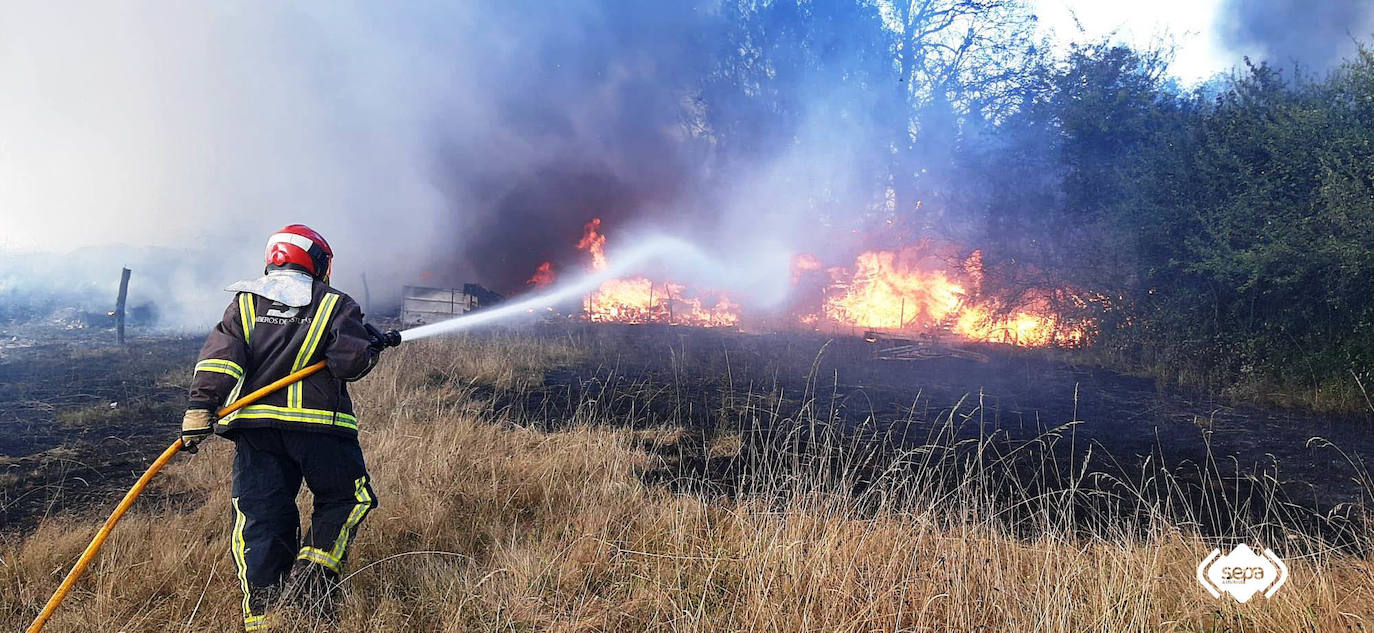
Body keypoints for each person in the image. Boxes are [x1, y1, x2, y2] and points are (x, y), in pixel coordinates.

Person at [180, 224, 398, 630]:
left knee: (262, 516)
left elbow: (219, 359)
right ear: (317, 262)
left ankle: (263, 618)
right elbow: (349, 365)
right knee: (347, 499)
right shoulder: (334, 303)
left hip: (256, 429)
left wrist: (200, 407)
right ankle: (311, 583)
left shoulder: (245, 303)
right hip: (319, 429)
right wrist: (369, 347)